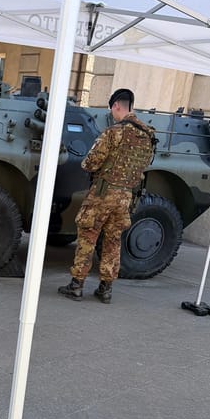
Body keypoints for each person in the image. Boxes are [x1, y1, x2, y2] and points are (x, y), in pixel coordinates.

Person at [58, 88, 156, 303]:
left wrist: (89, 165)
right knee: (113, 241)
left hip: (103, 193)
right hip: (125, 197)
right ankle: (106, 289)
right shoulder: (148, 135)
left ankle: (76, 285)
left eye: (112, 109)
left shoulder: (114, 132)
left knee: (88, 236)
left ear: (116, 106)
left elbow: (91, 162)